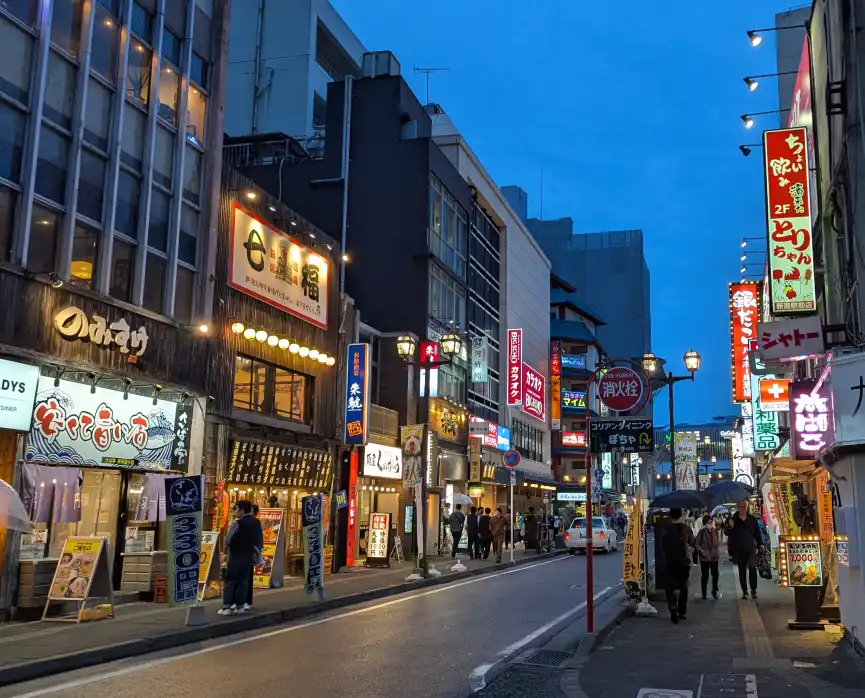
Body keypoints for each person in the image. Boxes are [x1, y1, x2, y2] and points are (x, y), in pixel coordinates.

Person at [219, 500, 262, 615]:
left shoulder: (237, 523)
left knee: (230, 581)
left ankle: (226, 608)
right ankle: (240, 607)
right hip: (248, 556)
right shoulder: (256, 522)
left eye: (237, 510)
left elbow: (227, 539)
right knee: (243, 582)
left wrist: (224, 553)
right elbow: (257, 540)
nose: (235, 512)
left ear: (242, 510)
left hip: (235, 556)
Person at [661, 508, 696, 624]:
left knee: (669, 587)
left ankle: (672, 605)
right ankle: (682, 611)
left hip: (669, 562)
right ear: (681, 515)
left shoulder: (665, 529)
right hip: (683, 563)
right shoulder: (686, 529)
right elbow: (692, 543)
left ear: (670, 516)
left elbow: (662, 545)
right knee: (683, 587)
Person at [727, 500, 764, 599]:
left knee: (752, 568)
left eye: (744, 506)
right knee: (742, 571)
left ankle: (753, 590)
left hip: (751, 548)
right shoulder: (733, 520)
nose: (743, 508)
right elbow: (729, 535)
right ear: (738, 507)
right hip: (739, 549)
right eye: (741, 506)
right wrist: (730, 527)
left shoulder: (752, 519)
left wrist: (760, 544)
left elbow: (757, 533)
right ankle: (744, 591)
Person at [696, 514, 722, 600]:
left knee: (715, 574)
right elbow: (697, 544)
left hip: (714, 556)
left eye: (711, 522)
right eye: (708, 522)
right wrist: (701, 550)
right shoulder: (701, 532)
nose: (710, 524)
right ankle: (704, 593)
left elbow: (717, 542)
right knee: (705, 575)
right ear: (705, 523)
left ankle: (714, 590)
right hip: (704, 557)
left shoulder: (715, 531)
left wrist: (716, 550)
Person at [245, 504, 263, 610]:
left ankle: (247, 601)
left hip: (251, 552)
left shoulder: (256, 522)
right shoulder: (240, 521)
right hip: (241, 552)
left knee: (248, 577)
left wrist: (258, 552)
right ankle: (239, 601)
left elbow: (259, 538)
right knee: (241, 578)